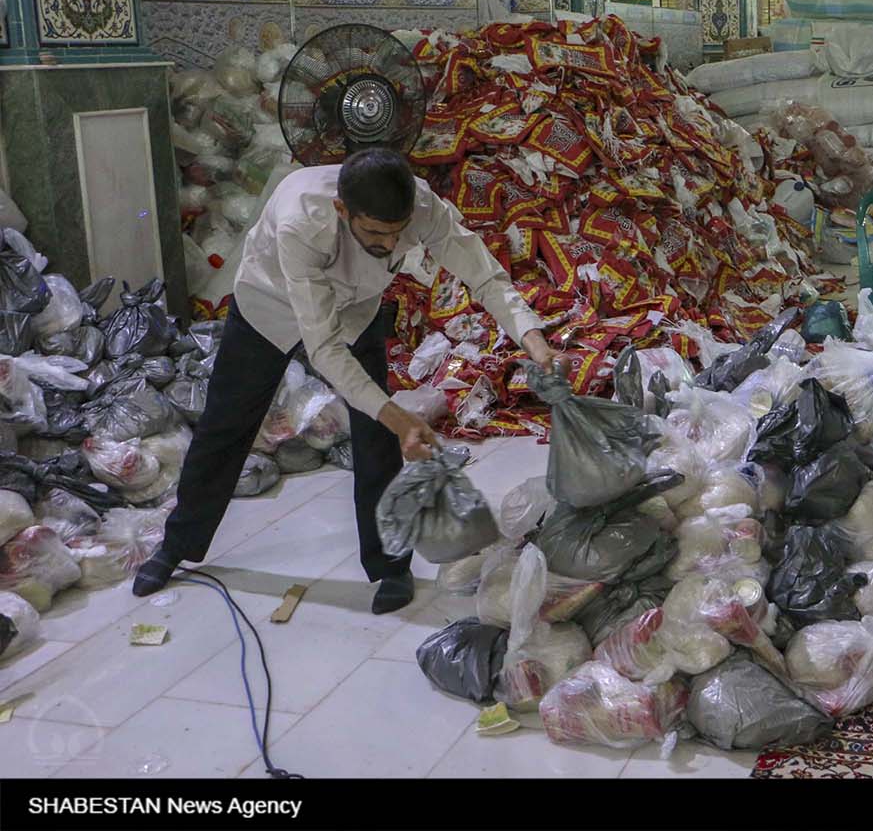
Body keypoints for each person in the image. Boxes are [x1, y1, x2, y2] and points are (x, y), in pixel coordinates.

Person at [132, 149, 558, 613]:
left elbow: (482, 274)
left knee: (374, 437)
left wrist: (532, 338)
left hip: (357, 309)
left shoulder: (420, 206)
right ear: (342, 210)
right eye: (375, 233)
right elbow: (325, 350)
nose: (389, 246)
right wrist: (399, 416)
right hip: (269, 308)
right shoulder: (302, 221)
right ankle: (177, 545)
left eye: (397, 234)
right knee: (226, 424)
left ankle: (390, 564)